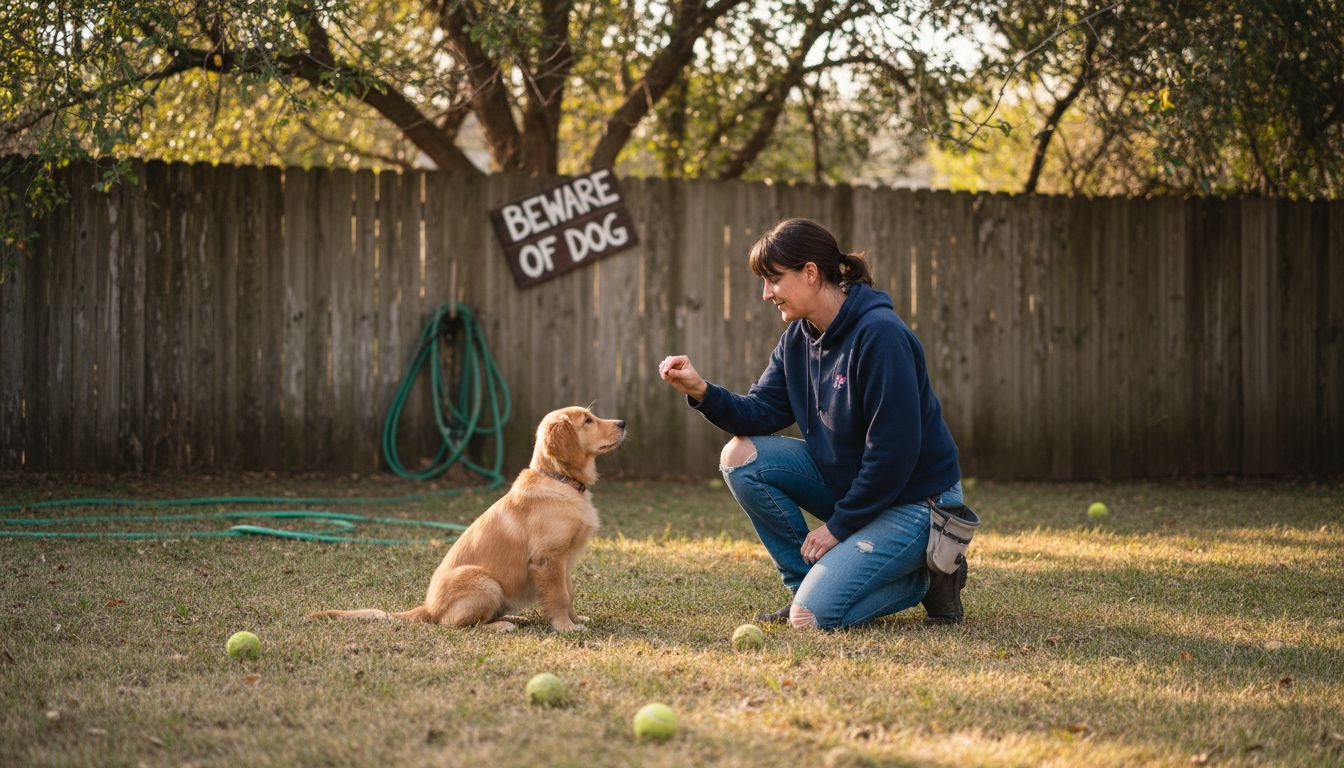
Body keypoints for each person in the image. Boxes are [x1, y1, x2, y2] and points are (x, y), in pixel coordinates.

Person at [657, 217, 967, 629]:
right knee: (741, 455)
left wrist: (837, 528)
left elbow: (893, 454)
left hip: (919, 503)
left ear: (810, 272)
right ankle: (805, 585)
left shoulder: (881, 336)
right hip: (863, 488)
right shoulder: (799, 338)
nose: (766, 294)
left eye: (774, 280)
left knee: (810, 620)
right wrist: (700, 389)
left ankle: (928, 579)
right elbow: (760, 413)